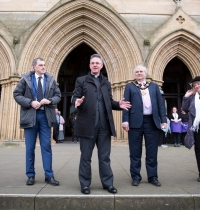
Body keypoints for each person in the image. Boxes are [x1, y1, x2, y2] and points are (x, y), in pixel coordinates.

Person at [72, 54, 131, 195]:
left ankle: (108, 183)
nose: (95, 65)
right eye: (92, 63)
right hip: (87, 126)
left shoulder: (106, 83)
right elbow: (75, 96)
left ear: (102, 65)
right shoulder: (81, 81)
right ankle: (85, 184)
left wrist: (118, 104)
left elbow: (109, 102)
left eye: (97, 63)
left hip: (104, 126)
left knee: (105, 157)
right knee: (85, 157)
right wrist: (76, 102)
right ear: (89, 65)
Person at [13, 57, 61, 186]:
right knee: (30, 148)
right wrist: (30, 102)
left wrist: (50, 101)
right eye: (40, 65)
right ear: (34, 66)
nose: (43, 67)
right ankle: (30, 175)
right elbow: (16, 94)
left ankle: (49, 175)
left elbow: (58, 95)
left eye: (44, 65)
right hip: (30, 116)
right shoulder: (25, 79)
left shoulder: (50, 79)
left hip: (45, 116)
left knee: (46, 147)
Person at [122, 65, 167, 187]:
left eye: (141, 71)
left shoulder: (154, 86)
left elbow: (160, 104)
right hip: (135, 122)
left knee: (152, 152)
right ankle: (136, 176)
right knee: (135, 151)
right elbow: (125, 104)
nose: (139, 73)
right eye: (137, 72)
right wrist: (125, 121)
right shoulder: (130, 86)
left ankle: (152, 177)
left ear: (146, 73)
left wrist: (163, 119)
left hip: (151, 121)